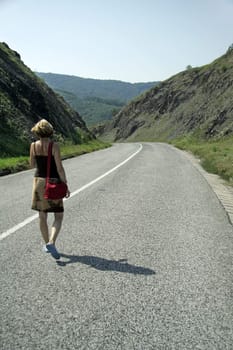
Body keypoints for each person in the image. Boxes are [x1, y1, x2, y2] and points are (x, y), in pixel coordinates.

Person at [30, 119, 70, 259]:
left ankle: (46, 243)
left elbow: (31, 164)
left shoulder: (33, 146)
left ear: (37, 131)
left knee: (42, 215)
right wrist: (65, 185)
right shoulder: (54, 146)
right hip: (53, 182)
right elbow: (59, 167)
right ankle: (52, 242)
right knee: (58, 215)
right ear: (50, 131)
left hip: (39, 182)